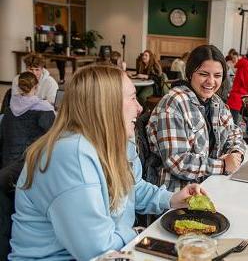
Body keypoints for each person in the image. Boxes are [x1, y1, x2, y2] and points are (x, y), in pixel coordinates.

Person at [9, 65, 206, 260]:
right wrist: (138, 233)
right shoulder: (70, 155)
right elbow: (97, 249)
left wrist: (171, 199)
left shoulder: (116, 141)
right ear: (105, 105)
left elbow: (132, 188)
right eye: (131, 98)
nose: (139, 107)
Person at [147, 45, 246, 192]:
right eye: (204, 74)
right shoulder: (173, 103)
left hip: (211, 185)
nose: (211, 82)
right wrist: (223, 165)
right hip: (179, 195)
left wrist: (236, 154)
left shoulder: (216, 102)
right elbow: (177, 162)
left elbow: (234, 134)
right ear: (190, 74)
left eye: (217, 76)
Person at [0, 72, 55, 168]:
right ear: (36, 86)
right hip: (30, 165)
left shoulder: (9, 109)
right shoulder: (44, 110)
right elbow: (53, 135)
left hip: (6, 162)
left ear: (18, 86)